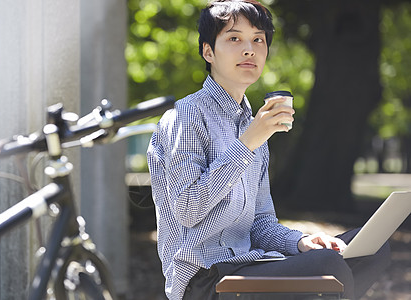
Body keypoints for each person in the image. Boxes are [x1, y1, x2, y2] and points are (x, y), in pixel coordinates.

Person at [146, 1, 390, 299]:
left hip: (251, 264)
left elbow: (261, 225)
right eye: (234, 38)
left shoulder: (253, 124)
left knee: (367, 248)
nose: (249, 49)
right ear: (208, 51)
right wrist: (247, 143)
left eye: (258, 39)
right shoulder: (186, 116)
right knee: (329, 268)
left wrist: (302, 242)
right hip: (206, 278)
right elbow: (187, 209)